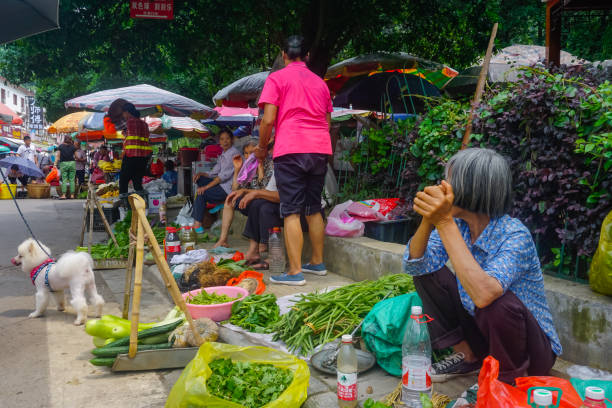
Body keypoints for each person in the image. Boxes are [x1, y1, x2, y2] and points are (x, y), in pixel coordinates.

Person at [403, 148, 561, 385]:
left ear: (473, 189)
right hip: (484, 333)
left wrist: (444, 221)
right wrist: (429, 218)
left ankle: (506, 381)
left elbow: (485, 294)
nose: (443, 186)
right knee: (428, 273)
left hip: (532, 352)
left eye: (450, 181)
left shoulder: (514, 235)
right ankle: (469, 355)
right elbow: (415, 264)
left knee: (495, 301)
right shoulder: (460, 226)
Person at [256, 35, 333, 285]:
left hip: (290, 149)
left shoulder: (277, 78)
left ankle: (295, 271)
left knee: (290, 211)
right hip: (319, 149)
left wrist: (261, 148)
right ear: (307, 56)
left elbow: (268, 120)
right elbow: (327, 121)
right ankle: (317, 262)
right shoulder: (321, 83)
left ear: (284, 54)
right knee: (313, 208)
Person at [214, 139, 274, 249]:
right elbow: (235, 189)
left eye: (252, 152)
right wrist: (237, 169)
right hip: (250, 200)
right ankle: (223, 239)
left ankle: (262, 243)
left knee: (258, 205)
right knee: (230, 199)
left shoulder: (269, 164)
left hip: (264, 200)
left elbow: (266, 190)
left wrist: (260, 167)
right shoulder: (247, 168)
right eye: (246, 153)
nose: (248, 156)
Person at [191, 129, 240, 233]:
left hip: (228, 188)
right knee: (200, 179)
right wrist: (202, 174)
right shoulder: (224, 153)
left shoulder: (233, 154)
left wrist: (206, 187)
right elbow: (215, 171)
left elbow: (222, 177)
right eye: (222, 139)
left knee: (202, 193)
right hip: (222, 184)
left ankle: (197, 225)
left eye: (227, 138)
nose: (225, 141)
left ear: (231, 140)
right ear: (219, 141)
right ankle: (220, 201)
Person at [229, 173, 282, 268]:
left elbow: (286, 196)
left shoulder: (291, 164)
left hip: (301, 207)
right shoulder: (280, 165)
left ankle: (275, 257)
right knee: (256, 204)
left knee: (267, 208)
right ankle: (253, 251)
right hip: (283, 204)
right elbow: (269, 191)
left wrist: (256, 193)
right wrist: (251, 193)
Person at [110, 101, 151, 194]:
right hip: (143, 158)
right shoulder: (145, 124)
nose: (123, 116)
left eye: (123, 113)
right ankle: (141, 202)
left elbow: (114, 125)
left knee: (123, 180)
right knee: (137, 181)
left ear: (127, 112)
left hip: (131, 156)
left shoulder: (128, 122)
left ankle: (124, 203)